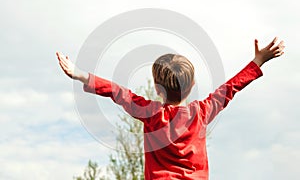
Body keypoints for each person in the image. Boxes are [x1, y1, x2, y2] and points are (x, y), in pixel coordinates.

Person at [56, 37, 285, 180]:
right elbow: (231, 88)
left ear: (157, 88)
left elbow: (118, 93)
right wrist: (258, 62)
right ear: (193, 85)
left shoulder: (151, 114)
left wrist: (81, 75)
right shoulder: (202, 112)